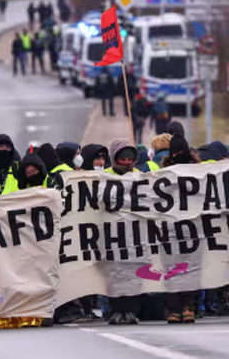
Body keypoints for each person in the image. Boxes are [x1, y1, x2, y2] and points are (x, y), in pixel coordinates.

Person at [103, 138, 141, 325]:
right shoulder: (103, 177)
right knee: (114, 274)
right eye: (122, 159)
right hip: (111, 234)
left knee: (133, 272)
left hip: (135, 234)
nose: (126, 163)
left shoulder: (141, 177)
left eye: (129, 160)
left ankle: (131, 311)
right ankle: (116, 310)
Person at [162, 134, 199, 324]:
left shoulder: (199, 172)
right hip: (170, 228)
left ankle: (188, 306)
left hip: (193, 228)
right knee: (171, 268)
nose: (178, 155)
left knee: (191, 267)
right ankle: (174, 306)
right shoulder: (162, 174)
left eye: (181, 152)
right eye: (175, 152)